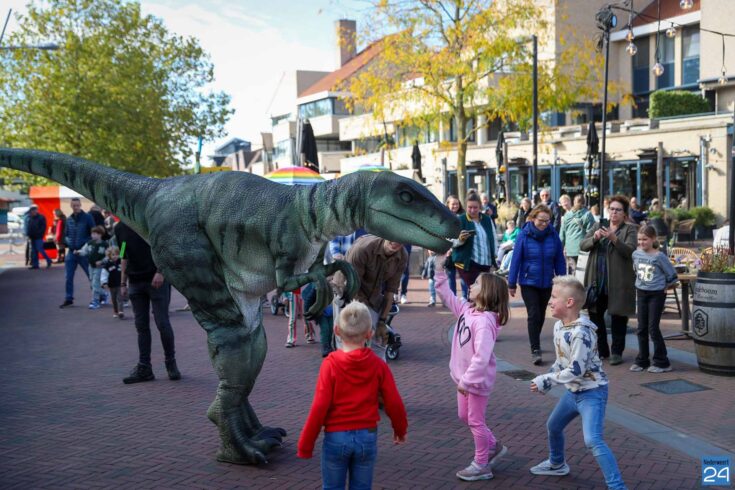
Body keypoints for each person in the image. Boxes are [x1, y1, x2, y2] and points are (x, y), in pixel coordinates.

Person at [297, 302, 407, 489]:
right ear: (369, 334)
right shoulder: (378, 365)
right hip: (367, 435)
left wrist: (306, 444)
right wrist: (400, 429)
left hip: (336, 436)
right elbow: (393, 401)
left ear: (336, 331)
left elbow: (320, 406)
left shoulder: (330, 364)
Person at [529, 276, 626, 490]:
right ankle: (557, 464)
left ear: (569, 302)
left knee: (593, 440)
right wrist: (547, 381)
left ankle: (617, 486)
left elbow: (575, 370)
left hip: (592, 393)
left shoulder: (581, 333)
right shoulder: (559, 327)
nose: (549, 301)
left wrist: (546, 380)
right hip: (573, 393)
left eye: (554, 297)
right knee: (553, 426)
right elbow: (561, 362)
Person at [435, 255, 509, 481]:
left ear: (487, 292)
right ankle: (493, 445)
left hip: (475, 382)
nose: (471, 285)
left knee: (475, 421)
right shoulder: (466, 310)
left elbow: (482, 357)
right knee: (464, 416)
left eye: (476, 283)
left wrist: (467, 381)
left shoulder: (484, 322)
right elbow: (445, 294)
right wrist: (439, 268)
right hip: (463, 381)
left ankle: (481, 464)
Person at [115, 220, 181, 384]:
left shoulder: (148, 221)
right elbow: (123, 254)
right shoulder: (120, 228)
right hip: (135, 282)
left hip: (156, 281)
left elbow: (165, 248)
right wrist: (123, 282)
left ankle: (171, 363)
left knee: (162, 323)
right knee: (141, 326)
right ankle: (144, 367)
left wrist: (161, 272)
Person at [580, 195, 638, 365]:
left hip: (618, 282)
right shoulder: (598, 225)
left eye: (618, 210)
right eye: (611, 209)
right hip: (597, 281)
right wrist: (594, 238)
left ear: (624, 213)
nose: (614, 212)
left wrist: (614, 239)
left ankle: (617, 352)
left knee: (619, 318)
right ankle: (602, 350)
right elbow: (583, 245)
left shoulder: (629, 230)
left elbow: (630, 251)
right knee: (595, 317)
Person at [508, 205, 566, 365]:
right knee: (533, 313)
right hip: (528, 281)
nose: (544, 224)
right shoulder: (524, 235)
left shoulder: (553, 235)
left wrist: (562, 281)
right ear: (533, 218)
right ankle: (535, 349)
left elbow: (559, 260)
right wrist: (511, 283)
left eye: (547, 221)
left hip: (547, 281)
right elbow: (516, 259)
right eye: (541, 220)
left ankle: (535, 338)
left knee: (540, 314)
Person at [346, 235, 408, 360]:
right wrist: (368, 319)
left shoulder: (402, 256)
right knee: (350, 341)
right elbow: (352, 289)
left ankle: (379, 370)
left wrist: (382, 322)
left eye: (401, 239)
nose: (396, 242)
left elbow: (390, 291)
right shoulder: (362, 249)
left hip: (372, 294)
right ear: (384, 234)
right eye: (393, 236)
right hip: (346, 291)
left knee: (379, 339)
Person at [631, 225, 678, 373]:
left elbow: (672, 275)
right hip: (641, 292)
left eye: (645, 239)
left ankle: (662, 362)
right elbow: (636, 270)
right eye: (639, 239)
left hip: (656, 294)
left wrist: (666, 287)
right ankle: (642, 360)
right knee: (641, 328)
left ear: (653, 239)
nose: (642, 242)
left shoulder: (659, 256)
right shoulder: (635, 254)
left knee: (653, 328)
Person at [452, 193, 497, 295]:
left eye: (475, 207)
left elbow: (493, 239)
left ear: (480, 206)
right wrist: (460, 239)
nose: (472, 210)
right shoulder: (460, 220)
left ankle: (471, 304)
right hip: (468, 263)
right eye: (470, 207)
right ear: (465, 207)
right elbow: (450, 241)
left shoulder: (487, 219)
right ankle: (471, 304)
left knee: (484, 293)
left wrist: (495, 257)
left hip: (486, 263)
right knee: (476, 291)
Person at [60, 198, 95, 308]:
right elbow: (66, 235)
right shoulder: (69, 219)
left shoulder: (87, 217)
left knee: (90, 275)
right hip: (71, 252)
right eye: (74, 205)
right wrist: (69, 243)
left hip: (83, 252)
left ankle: (98, 296)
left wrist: (85, 246)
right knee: (68, 276)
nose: (76, 207)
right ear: (71, 206)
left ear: (80, 205)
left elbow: (94, 233)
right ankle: (68, 298)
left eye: (77, 205)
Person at [75, 225, 109, 309]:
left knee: (95, 284)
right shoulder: (89, 243)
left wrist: (102, 261)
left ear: (100, 234)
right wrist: (78, 252)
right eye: (92, 234)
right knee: (92, 283)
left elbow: (108, 256)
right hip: (91, 266)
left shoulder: (105, 245)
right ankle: (104, 294)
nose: (92, 235)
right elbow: (84, 251)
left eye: (95, 234)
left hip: (100, 267)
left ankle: (95, 301)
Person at [559, 195, 595, 274]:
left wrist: (560, 248)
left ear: (574, 202)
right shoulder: (588, 214)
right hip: (583, 248)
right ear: (584, 202)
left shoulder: (567, 215)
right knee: (583, 273)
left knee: (571, 273)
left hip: (570, 249)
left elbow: (562, 235)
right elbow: (591, 233)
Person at [445, 195, 466, 298]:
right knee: (450, 275)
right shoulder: (444, 216)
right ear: (448, 204)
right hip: (449, 250)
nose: (455, 206)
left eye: (457, 204)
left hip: (461, 250)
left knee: (463, 275)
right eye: (453, 204)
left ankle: (465, 297)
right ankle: (453, 298)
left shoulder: (463, 216)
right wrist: (448, 248)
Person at [101, 245, 125, 319]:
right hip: (111, 285)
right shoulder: (107, 265)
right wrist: (104, 282)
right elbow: (104, 274)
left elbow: (123, 248)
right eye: (113, 255)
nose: (115, 256)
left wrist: (124, 244)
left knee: (120, 298)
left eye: (117, 254)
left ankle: (121, 311)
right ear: (109, 255)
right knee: (114, 299)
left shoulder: (121, 262)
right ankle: (115, 311)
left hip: (120, 284)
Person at [26, 205, 53, 270]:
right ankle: (35, 265)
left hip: (38, 237)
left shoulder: (41, 217)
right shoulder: (30, 218)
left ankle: (48, 260)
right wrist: (29, 234)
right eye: (31, 211)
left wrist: (40, 234)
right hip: (32, 236)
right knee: (34, 251)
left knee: (40, 249)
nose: (31, 212)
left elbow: (43, 227)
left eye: (32, 211)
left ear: (35, 211)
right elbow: (29, 227)